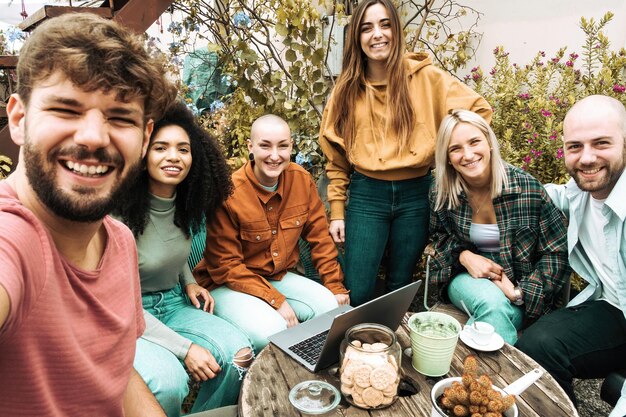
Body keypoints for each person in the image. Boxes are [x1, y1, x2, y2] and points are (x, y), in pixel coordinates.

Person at [0, 13, 177, 417]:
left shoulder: (119, 241)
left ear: (145, 137)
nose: (95, 137)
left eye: (119, 117)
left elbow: (114, 375)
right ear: (19, 119)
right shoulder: (13, 237)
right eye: (66, 109)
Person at [319, 0, 492, 306]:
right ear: (357, 37)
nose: (377, 34)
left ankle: (389, 345)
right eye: (366, 27)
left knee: (400, 282)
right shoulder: (346, 90)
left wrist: (451, 156)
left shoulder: (427, 78)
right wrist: (336, 209)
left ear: (396, 31)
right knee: (358, 287)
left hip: (417, 193)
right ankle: (356, 347)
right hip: (367, 194)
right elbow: (335, 155)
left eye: (385, 24)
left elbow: (478, 112)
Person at [114, 102, 254, 416]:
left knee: (240, 355)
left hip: (175, 304)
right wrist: (185, 349)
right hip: (128, 316)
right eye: (160, 148)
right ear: (142, 153)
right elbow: (120, 300)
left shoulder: (186, 205)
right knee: (169, 381)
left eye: (183, 149)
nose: (174, 157)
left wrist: (188, 280)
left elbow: (170, 251)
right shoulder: (118, 215)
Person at [193, 114, 350, 352]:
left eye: (282, 146)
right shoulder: (228, 192)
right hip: (227, 284)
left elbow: (319, 238)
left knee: (331, 308)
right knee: (271, 329)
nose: (275, 156)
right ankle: (266, 381)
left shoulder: (301, 180)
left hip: (276, 275)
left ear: (291, 147)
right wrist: (276, 300)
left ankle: (308, 372)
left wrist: (335, 285)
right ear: (251, 147)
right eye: (265, 146)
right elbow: (226, 266)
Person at [516, 95, 626, 417]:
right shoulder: (579, 194)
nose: (587, 158)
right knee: (537, 347)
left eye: (601, 143)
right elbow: (539, 194)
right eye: (575, 146)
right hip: (614, 309)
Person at [428, 109, 569, 344]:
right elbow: (437, 239)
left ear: (489, 143)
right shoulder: (441, 192)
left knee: (495, 316)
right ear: (448, 158)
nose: (468, 154)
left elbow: (557, 254)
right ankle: (497, 379)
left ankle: (460, 371)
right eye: (455, 148)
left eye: (474, 142)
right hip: (466, 282)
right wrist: (464, 256)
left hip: (522, 289)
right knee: (491, 305)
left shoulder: (527, 189)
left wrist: (519, 292)